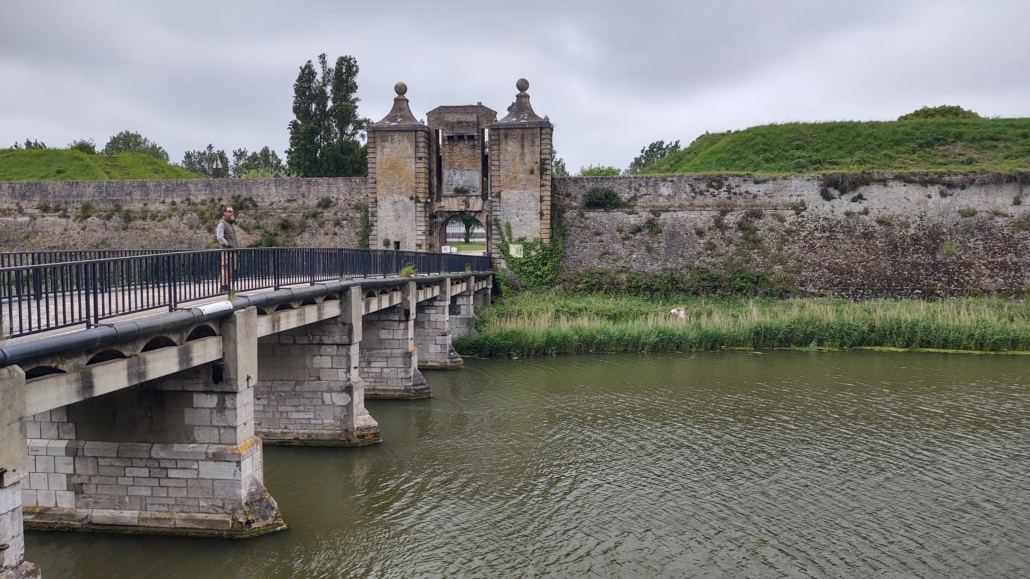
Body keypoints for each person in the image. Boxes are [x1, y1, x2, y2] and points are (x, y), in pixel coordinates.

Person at [216, 205, 238, 293]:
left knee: (229, 268)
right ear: (224, 213)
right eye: (229, 211)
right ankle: (223, 286)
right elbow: (219, 237)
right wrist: (227, 244)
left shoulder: (230, 223)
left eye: (232, 211)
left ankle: (227, 286)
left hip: (232, 250)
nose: (231, 213)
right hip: (226, 250)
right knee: (225, 268)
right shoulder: (222, 223)